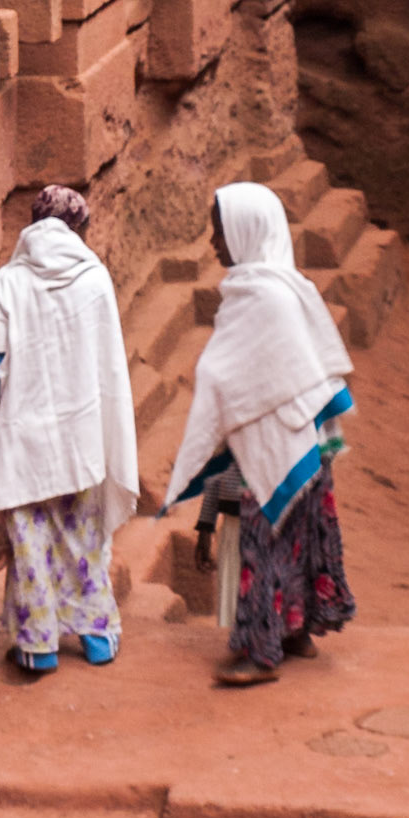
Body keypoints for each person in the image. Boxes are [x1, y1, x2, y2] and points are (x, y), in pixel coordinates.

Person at [163, 181, 357, 686]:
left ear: (247, 231)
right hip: (305, 438)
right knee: (295, 538)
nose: (213, 243)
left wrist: (211, 389)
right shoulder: (289, 286)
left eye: (219, 230)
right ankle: (295, 631)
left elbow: (225, 375)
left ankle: (260, 650)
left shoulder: (260, 297)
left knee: (262, 542)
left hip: (273, 445)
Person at [0, 184, 138, 676]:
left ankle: (38, 645)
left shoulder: (8, 282)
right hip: (79, 437)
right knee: (81, 542)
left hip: (23, 437)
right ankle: (96, 636)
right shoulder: (94, 279)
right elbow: (108, 364)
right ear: (78, 228)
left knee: (29, 541)